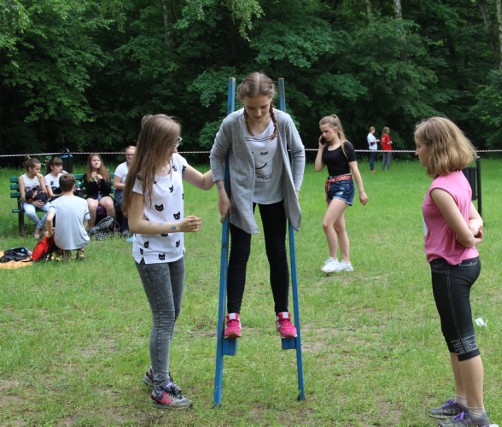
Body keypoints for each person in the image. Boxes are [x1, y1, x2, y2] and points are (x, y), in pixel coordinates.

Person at [123, 114, 214, 409]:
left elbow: (203, 182)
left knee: (173, 313)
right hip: (151, 255)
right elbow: (135, 224)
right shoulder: (140, 176)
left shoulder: (176, 161)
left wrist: (226, 159)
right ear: (159, 143)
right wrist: (177, 226)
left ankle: (155, 369)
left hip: (176, 251)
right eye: (174, 141)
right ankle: (161, 387)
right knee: (164, 316)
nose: (177, 145)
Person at [209, 71, 305, 340]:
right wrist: (221, 191)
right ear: (243, 102)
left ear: (271, 100)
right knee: (239, 253)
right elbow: (216, 155)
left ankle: (283, 317)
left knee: (277, 252)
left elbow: (298, 153)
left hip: (276, 194)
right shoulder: (232, 123)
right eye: (252, 108)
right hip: (242, 195)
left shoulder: (283, 122)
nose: (258, 112)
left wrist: (294, 188)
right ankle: (233, 318)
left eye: (264, 106)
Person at [415, 117, 491, 427]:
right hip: (464, 265)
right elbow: (475, 217)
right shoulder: (459, 177)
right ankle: (461, 401)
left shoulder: (440, 190)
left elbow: (465, 234)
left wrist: (472, 231)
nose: (416, 152)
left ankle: (476, 414)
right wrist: (475, 228)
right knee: (453, 336)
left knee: (464, 341)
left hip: (451, 269)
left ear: (434, 148)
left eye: (419, 146)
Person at [315, 114, 368, 273]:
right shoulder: (326, 147)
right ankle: (346, 262)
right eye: (322, 132)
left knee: (326, 223)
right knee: (339, 227)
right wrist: (320, 148)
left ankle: (333, 259)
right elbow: (318, 168)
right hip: (330, 186)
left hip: (344, 186)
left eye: (326, 131)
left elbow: (355, 170)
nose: (323, 135)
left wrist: (362, 191)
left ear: (335, 130)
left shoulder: (346, 146)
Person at [44, 174, 90, 261]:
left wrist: (50, 234)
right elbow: (86, 220)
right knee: (80, 230)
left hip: (61, 241)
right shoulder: (83, 202)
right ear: (74, 186)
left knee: (55, 232)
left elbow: (49, 219)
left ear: (60, 187)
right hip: (81, 238)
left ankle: (66, 253)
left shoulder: (55, 202)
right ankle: (80, 250)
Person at [18, 157, 51, 238]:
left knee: (52, 210)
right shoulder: (22, 178)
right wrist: (33, 202)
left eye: (39, 169)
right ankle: (41, 225)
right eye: (37, 169)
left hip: (40, 200)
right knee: (30, 212)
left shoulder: (39, 177)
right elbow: (22, 196)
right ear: (30, 169)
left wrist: (41, 180)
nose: (39, 171)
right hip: (29, 201)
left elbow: (45, 192)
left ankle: (38, 227)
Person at [84, 153, 116, 229]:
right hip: (92, 196)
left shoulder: (106, 173)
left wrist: (102, 180)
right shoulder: (87, 175)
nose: (96, 162)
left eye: (98, 160)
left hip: (104, 195)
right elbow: (89, 191)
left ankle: (111, 228)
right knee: (91, 206)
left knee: (110, 204)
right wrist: (92, 180)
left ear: (100, 162)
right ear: (90, 163)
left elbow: (108, 189)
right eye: (94, 160)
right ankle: (91, 229)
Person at [113, 145, 136, 237]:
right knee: (127, 203)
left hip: (137, 192)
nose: (130, 156)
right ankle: (126, 229)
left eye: (132, 155)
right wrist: (129, 186)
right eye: (128, 155)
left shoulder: (141, 166)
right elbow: (116, 184)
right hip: (122, 192)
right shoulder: (121, 167)